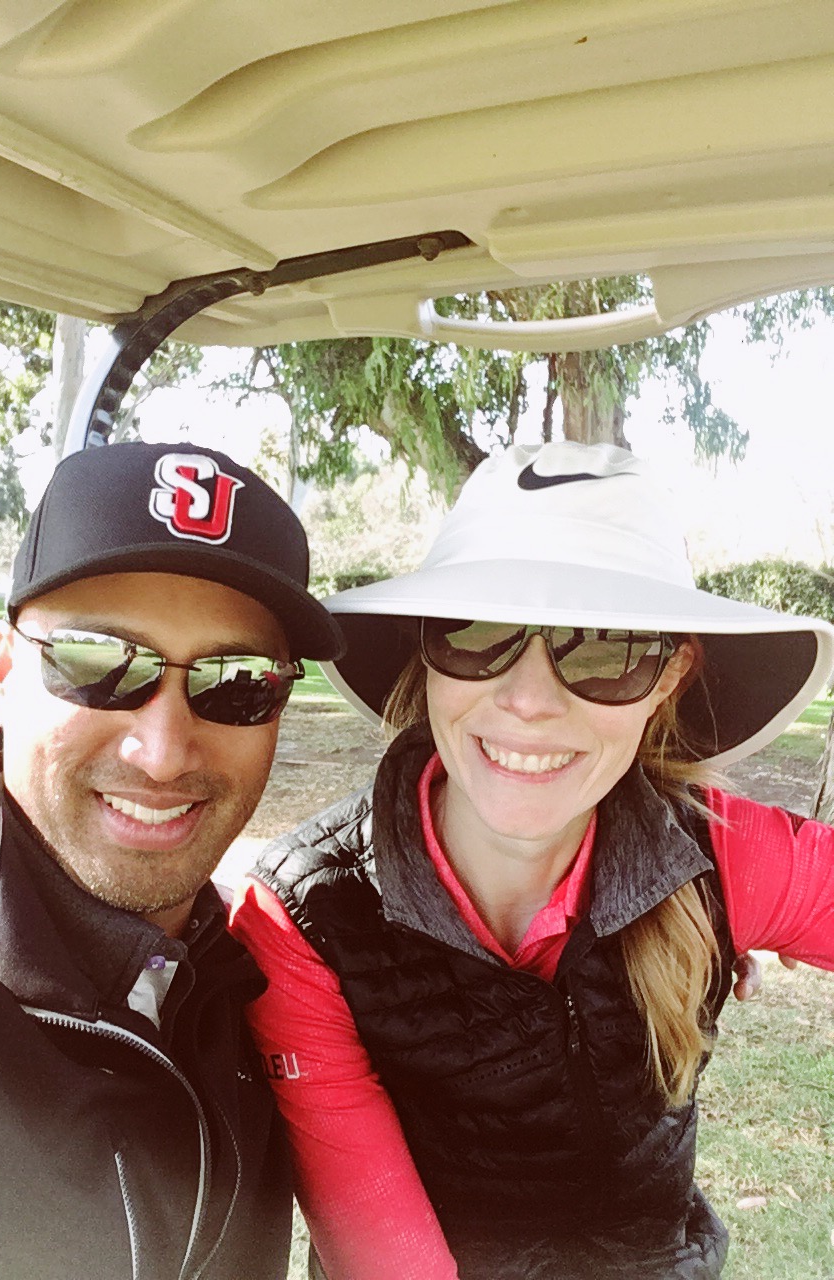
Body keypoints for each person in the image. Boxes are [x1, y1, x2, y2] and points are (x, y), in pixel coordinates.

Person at [230, 441, 834, 1280]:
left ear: (669, 677)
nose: (529, 701)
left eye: (606, 648)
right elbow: (390, 1259)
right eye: (479, 631)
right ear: (424, 651)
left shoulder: (717, 857)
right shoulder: (304, 919)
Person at [0, 441, 344, 1280]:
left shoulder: (247, 985)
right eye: (97, 662)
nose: (162, 753)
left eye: (236, 681)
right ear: (5, 670)